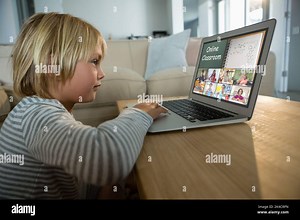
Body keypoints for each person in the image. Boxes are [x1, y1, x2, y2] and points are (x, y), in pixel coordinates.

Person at [0, 13, 167, 199]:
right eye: (94, 61)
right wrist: (139, 112)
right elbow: (109, 159)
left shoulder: (41, 110)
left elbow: (73, 181)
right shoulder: (36, 116)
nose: (102, 73)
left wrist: (106, 185)